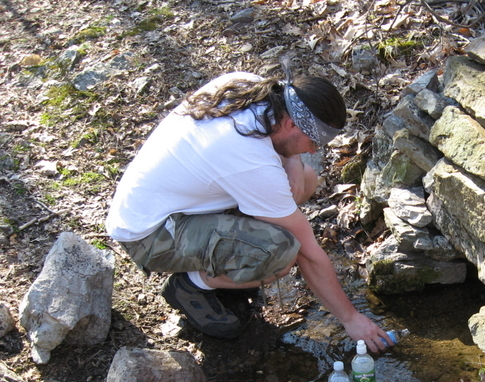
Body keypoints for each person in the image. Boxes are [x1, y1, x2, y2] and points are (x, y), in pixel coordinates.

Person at [106, 69, 393, 352]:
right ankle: (189, 285)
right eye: (314, 141)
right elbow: (308, 253)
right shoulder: (248, 157)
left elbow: (289, 157)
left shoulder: (251, 88)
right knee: (280, 254)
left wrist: (291, 161)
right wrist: (350, 318)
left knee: (306, 179)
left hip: (172, 202)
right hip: (149, 235)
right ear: (292, 124)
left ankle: (223, 264)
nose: (315, 151)